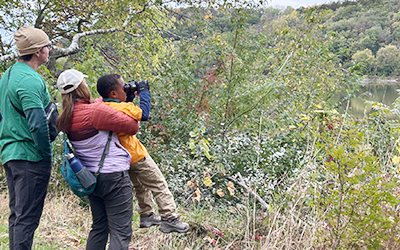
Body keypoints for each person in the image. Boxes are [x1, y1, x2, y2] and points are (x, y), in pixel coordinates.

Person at [56, 69, 139, 249]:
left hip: (90, 178)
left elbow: (98, 104)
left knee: (99, 228)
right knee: (120, 232)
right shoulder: (95, 112)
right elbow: (133, 126)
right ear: (81, 87)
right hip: (114, 176)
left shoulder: (64, 117)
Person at [96, 74, 189, 233]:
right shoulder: (124, 108)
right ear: (113, 93)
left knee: (140, 186)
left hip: (121, 157)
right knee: (158, 183)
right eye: (122, 87)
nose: (125, 89)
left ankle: (147, 215)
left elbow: (123, 111)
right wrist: (144, 93)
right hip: (136, 154)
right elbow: (143, 114)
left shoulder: (103, 106)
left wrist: (128, 97)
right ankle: (170, 218)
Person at [0, 26, 53, 249]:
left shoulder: (8, 75)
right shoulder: (30, 81)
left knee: (17, 216)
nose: (50, 49)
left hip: (10, 153)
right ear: (38, 51)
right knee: (27, 219)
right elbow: (38, 124)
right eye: (47, 45)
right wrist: (46, 154)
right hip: (30, 157)